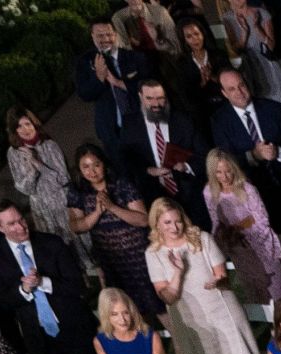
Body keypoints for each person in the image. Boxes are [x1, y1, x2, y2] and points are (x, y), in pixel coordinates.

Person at [146, 197, 266, 354]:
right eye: (167, 222)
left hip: (222, 308)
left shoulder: (201, 238)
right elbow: (168, 297)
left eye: (177, 221)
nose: (174, 227)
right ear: (157, 224)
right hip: (193, 318)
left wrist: (217, 280)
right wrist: (178, 272)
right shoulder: (154, 253)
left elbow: (222, 274)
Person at [0, 200, 101, 354]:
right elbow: (3, 300)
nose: (20, 226)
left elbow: (77, 285)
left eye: (21, 219)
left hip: (75, 327)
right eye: (11, 224)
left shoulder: (51, 243)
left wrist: (43, 282)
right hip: (41, 339)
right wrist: (23, 290)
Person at [211, 68, 281, 229]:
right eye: (232, 89)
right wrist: (254, 155)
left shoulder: (273, 108)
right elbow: (227, 161)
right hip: (258, 197)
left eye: (241, 85)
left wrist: (278, 152)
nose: (239, 92)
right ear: (224, 93)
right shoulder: (220, 121)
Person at [68, 144, 164, 317]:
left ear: (104, 164)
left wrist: (112, 207)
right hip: (110, 258)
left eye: (96, 165)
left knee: (156, 303)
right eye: (86, 167)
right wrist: (97, 212)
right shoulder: (78, 192)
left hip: (137, 255)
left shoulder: (121, 184)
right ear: (80, 169)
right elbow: (76, 226)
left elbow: (143, 220)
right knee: (124, 308)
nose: (92, 171)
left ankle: (180, 341)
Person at [206, 149, 281, 305]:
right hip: (238, 250)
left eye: (228, 171)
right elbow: (216, 223)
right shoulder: (209, 192)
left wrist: (237, 228)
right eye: (218, 172)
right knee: (257, 298)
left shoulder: (247, 188)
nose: (224, 177)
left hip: (262, 246)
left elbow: (261, 220)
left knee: (278, 297)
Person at [126, 78, 211, 227]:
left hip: (190, 194)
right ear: (140, 96)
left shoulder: (184, 120)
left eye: (160, 98)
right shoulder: (130, 125)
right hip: (154, 198)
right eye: (150, 98)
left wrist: (186, 166)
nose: (156, 104)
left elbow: (205, 155)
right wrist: (147, 170)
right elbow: (125, 160)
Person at [76, 19, 155, 158]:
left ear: (116, 35)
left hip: (142, 125)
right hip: (112, 132)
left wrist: (119, 83)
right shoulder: (85, 61)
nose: (106, 39)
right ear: (92, 36)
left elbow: (149, 86)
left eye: (109, 34)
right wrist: (99, 78)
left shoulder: (135, 57)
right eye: (100, 36)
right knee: (124, 174)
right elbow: (84, 94)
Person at [5, 109, 75, 242]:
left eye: (27, 123)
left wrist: (38, 164)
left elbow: (63, 179)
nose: (25, 129)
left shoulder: (50, 145)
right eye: (19, 126)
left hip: (62, 204)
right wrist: (32, 171)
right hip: (42, 211)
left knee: (76, 246)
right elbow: (25, 188)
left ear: (34, 123)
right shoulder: (14, 153)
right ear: (14, 130)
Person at [216, 0, 281, 112]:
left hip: (268, 65)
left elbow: (271, 46)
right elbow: (235, 50)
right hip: (249, 69)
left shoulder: (261, 13)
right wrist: (244, 33)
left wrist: (257, 27)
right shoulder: (227, 19)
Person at [170, 16, 227, 124]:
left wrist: (213, 77)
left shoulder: (219, 55)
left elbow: (231, 82)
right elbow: (186, 96)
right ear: (184, 40)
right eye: (189, 36)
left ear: (203, 34)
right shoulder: (182, 64)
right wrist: (201, 83)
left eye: (197, 34)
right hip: (202, 114)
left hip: (224, 106)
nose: (195, 39)